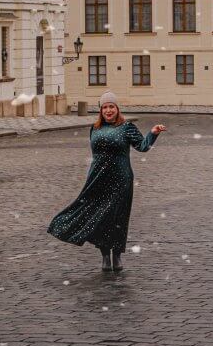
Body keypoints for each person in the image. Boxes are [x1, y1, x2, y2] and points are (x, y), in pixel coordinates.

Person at [48, 92, 165, 272]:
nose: (108, 110)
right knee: (100, 217)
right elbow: (96, 155)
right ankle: (104, 255)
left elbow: (142, 147)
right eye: (105, 107)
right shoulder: (95, 129)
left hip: (121, 179)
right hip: (98, 179)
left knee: (118, 217)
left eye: (112, 107)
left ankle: (117, 255)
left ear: (117, 109)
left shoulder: (127, 127)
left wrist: (153, 133)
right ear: (100, 110)